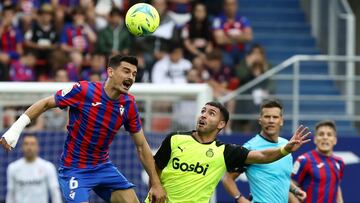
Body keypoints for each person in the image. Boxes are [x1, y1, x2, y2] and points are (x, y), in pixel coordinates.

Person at [1, 55, 166, 203]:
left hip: (103, 167)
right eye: (126, 71)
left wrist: (156, 183)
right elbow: (45, 103)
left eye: (134, 74)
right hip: (74, 170)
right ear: (110, 72)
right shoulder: (84, 90)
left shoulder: (129, 104)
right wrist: (16, 128)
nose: (130, 77)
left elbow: (142, 146)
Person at [145, 101, 311, 203]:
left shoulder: (224, 152)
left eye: (211, 114)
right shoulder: (175, 139)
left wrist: (285, 149)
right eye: (203, 111)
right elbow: (155, 167)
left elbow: (262, 157)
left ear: (221, 124)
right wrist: (156, 186)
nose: (203, 115)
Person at [222, 100, 306, 203]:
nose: (271, 120)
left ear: (281, 121)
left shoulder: (286, 145)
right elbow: (227, 179)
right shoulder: (250, 148)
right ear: (260, 120)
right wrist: (240, 199)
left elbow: (281, 177)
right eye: (267, 117)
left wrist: (295, 190)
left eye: (275, 117)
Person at [291, 120, 345, 203]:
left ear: (335, 140)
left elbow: (336, 187)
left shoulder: (339, 162)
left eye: (329, 135)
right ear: (315, 139)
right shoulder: (304, 160)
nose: (325, 137)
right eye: (321, 134)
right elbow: (288, 186)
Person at [6, 134, 62, 203]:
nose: (29, 147)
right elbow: (11, 194)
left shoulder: (48, 167)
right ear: (22, 147)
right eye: (26, 144)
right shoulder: (13, 168)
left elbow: (55, 193)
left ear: (38, 147)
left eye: (32, 144)